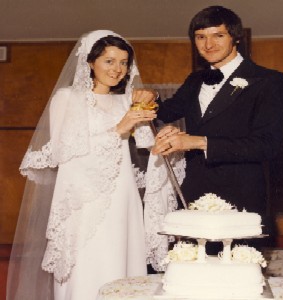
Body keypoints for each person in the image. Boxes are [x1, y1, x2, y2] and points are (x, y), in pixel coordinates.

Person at [6, 30, 157, 300]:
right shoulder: (67, 99)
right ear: (90, 63)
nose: (117, 69)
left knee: (121, 260)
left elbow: (147, 143)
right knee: (89, 263)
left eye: (123, 62)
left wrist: (146, 103)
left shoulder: (126, 100)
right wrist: (120, 128)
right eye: (109, 61)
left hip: (123, 196)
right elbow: (66, 152)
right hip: (84, 199)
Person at [152, 6, 283, 252]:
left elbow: (267, 145)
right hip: (193, 194)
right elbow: (163, 112)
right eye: (200, 37)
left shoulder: (269, 81)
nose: (208, 44)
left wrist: (197, 142)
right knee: (192, 276)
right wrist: (149, 95)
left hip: (241, 197)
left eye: (218, 35)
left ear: (236, 37)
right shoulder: (195, 80)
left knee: (235, 280)